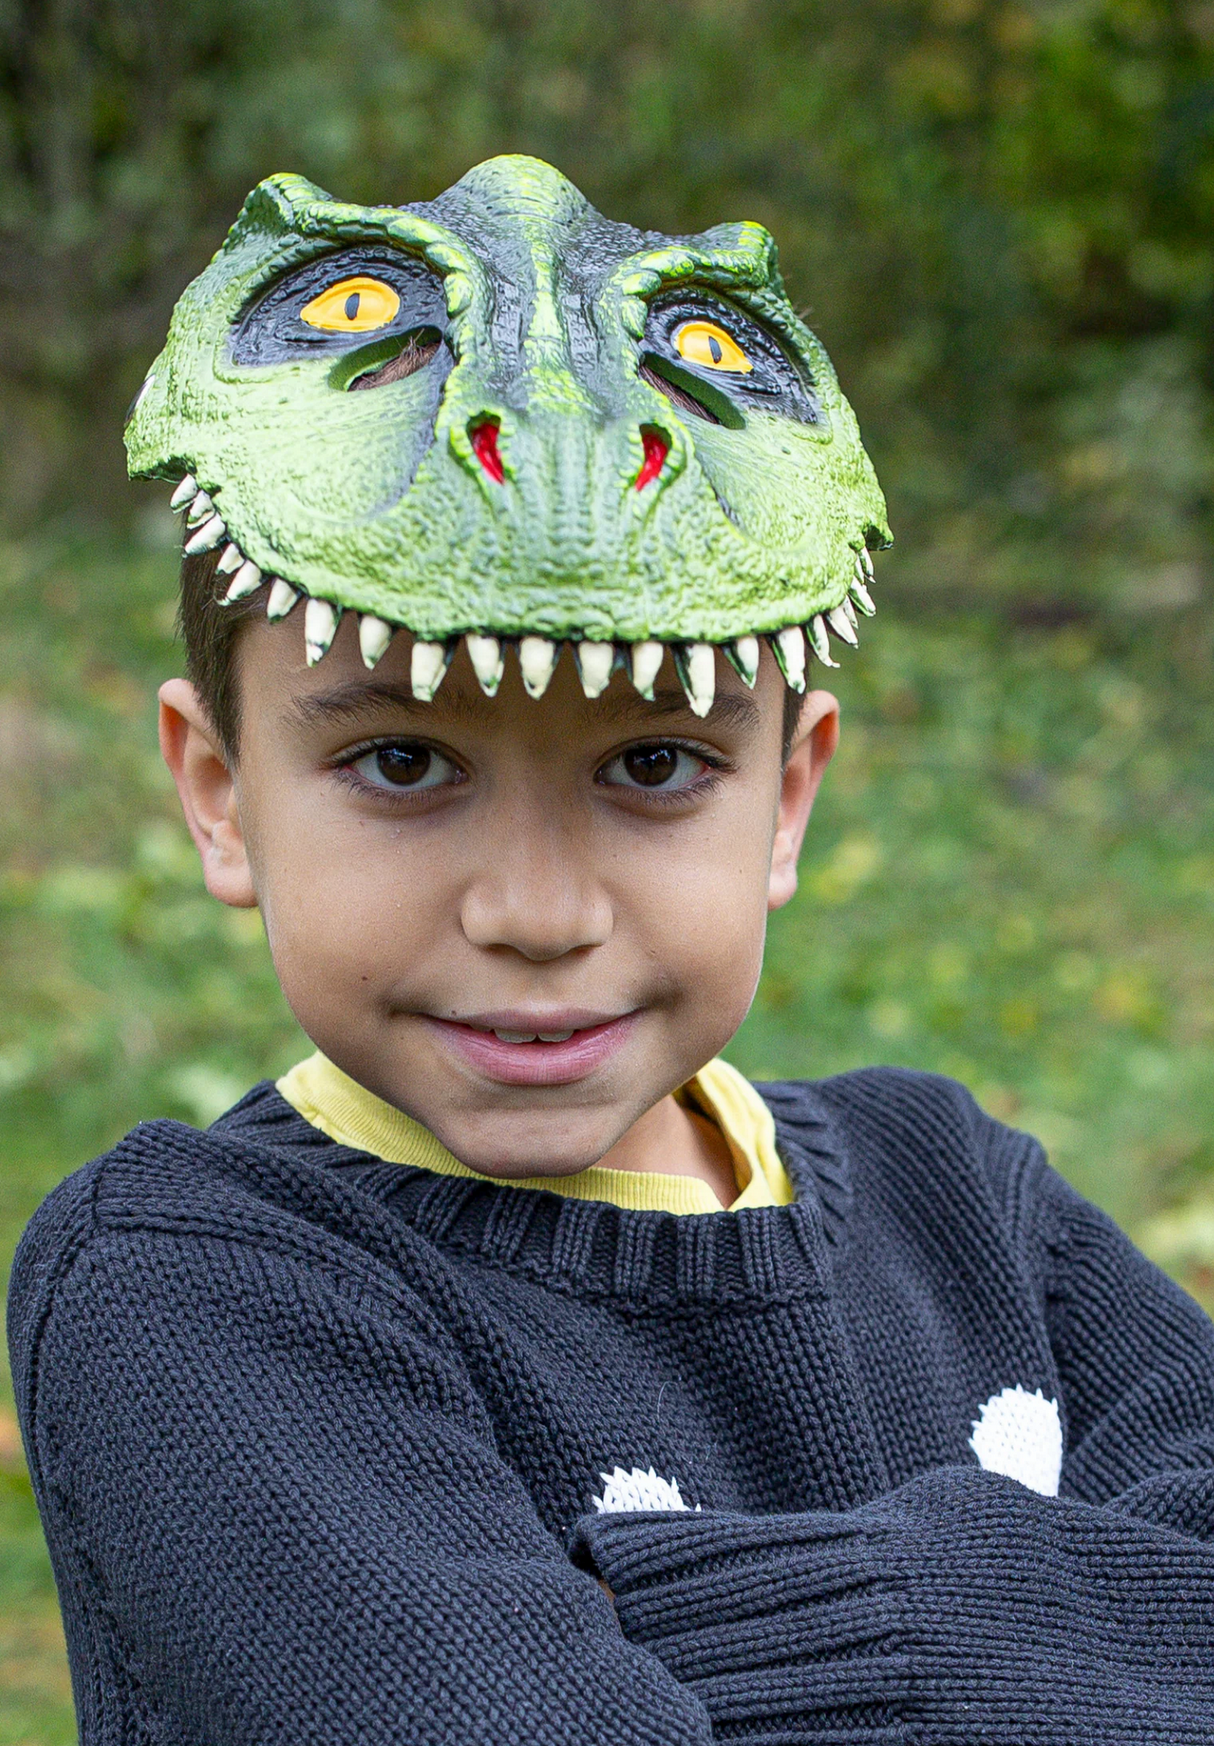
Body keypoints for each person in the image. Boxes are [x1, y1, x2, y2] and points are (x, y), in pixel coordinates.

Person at [9, 155, 1214, 1744]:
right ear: (220, 794)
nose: (534, 909)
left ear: (786, 797)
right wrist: (1084, 1629)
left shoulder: (964, 1195)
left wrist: (741, 1624)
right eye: (401, 762)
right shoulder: (190, 1285)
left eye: (651, 763)